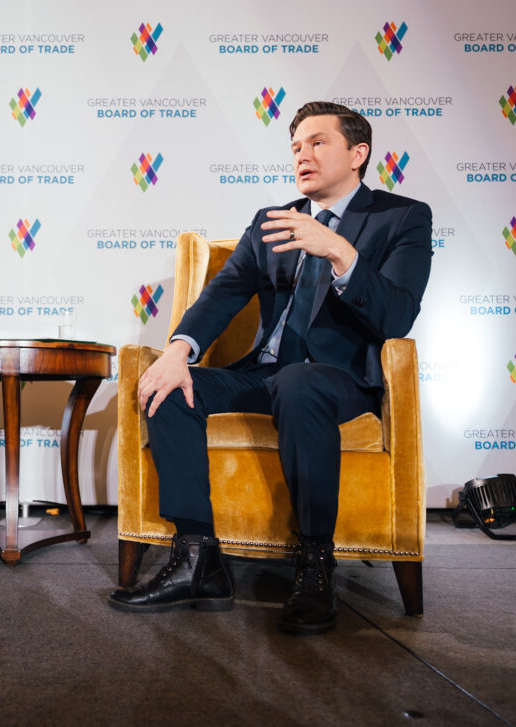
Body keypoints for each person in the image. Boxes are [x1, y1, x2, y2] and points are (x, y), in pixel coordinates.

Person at [108, 102, 432, 635]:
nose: (303, 155)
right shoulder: (272, 222)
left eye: (318, 142)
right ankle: (197, 560)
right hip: (263, 375)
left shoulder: (401, 217)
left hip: (337, 380)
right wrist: (178, 350)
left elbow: (397, 313)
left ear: (358, 153)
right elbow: (224, 293)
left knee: (300, 381)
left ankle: (314, 562)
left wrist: (340, 254)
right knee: (170, 388)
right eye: (297, 147)